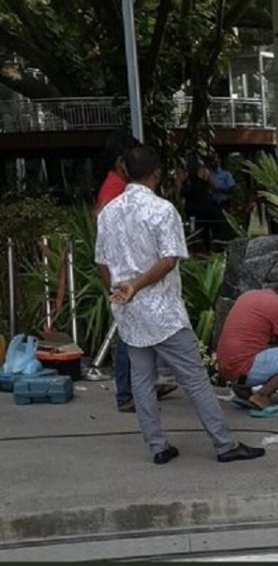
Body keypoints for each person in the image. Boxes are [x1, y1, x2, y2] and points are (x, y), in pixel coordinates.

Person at [95, 145, 264, 464]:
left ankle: (158, 446)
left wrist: (118, 290)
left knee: (141, 380)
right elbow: (169, 260)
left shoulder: (109, 212)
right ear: (157, 173)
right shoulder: (162, 210)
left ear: (126, 172)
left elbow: (101, 261)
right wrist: (137, 286)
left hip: (129, 312)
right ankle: (224, 444)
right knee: (194, 378)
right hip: (161, 312)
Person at [94, 129, 178, 413]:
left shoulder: (117, 186)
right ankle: (128, 393)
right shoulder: (116, 190)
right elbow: (105, 231)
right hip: (131, 278)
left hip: (129, 279)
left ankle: (139, 391)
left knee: (133, 337)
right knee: (130, 338)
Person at [216, 279, 278, 418]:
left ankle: (244, 392)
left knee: (253, 350)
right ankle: (261, 396)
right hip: (244, 368)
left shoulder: (249, 295)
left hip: (225, 367)